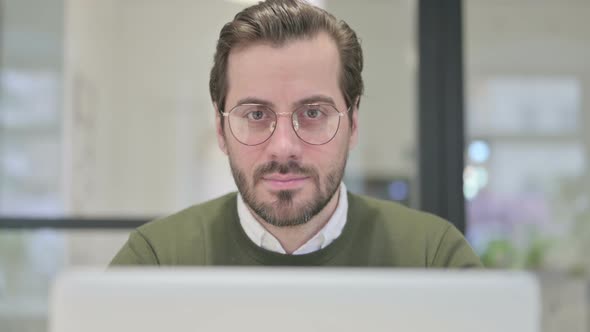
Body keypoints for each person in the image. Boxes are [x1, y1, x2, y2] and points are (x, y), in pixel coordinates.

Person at [110, 0, 482, 267]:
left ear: (352, 124)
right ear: (221, 129)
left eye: (313, 113)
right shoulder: (156, 261)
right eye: (256, 114)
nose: (284, 147)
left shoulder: (433, 258)